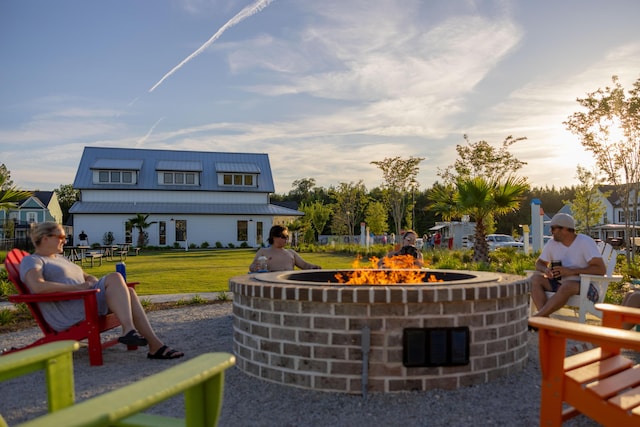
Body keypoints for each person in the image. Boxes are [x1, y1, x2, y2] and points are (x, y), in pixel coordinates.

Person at [20, 222, 184, 360]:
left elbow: (86, 276)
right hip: (71, 311)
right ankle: (129, 330)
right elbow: (37, 286)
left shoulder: (61, 259)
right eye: (61, 237)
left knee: (130, 292)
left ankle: (155, 346)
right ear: (45, 238)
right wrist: (77, 288)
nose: (65, 240)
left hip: (86, 301)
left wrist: (90, 279)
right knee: (114, 276)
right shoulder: (32, 260)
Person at [530, 213, 606, 318]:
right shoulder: (552, 244)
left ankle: (538, 317)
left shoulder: (584, 242)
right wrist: (545, 269)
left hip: (587, 286)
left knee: (567, 285)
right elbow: (539, 263)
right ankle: (544, 319)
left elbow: (601, 269)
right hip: (560, 284)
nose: (550, 231)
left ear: (565, 229)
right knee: (535, 279)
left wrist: (570, 271)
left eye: (553, 228)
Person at [249, 225, 321, 272]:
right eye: (283, 236)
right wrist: (255, 268)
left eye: (287, 236)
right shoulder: (264, 252)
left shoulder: (291, 252)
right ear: (274, 237)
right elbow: (252, 266)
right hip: (272, 283)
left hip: (288, 283)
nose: (286, 239)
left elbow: (304, 265)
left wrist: (315, 267)